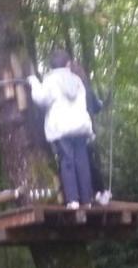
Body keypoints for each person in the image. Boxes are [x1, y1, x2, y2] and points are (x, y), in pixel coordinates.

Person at [29, 49, 94, 210]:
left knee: (67, 162)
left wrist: (33, 82)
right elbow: (83, 103)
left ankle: (73, 200)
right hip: (80, 126)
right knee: (82, 161)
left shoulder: (51, 80)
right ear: (68, 63)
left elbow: (41, 99)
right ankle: (87, 199)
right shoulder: (78, 81)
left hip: (62, 127)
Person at [69, 59, 112, 206]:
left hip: (71, 130)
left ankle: (92, 193)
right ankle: (97, 192)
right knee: (88, 162)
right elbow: (97, 106)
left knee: (78, 162)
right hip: (85, 129)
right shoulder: (86, 88)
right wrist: (102, 102)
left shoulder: (72, 87)